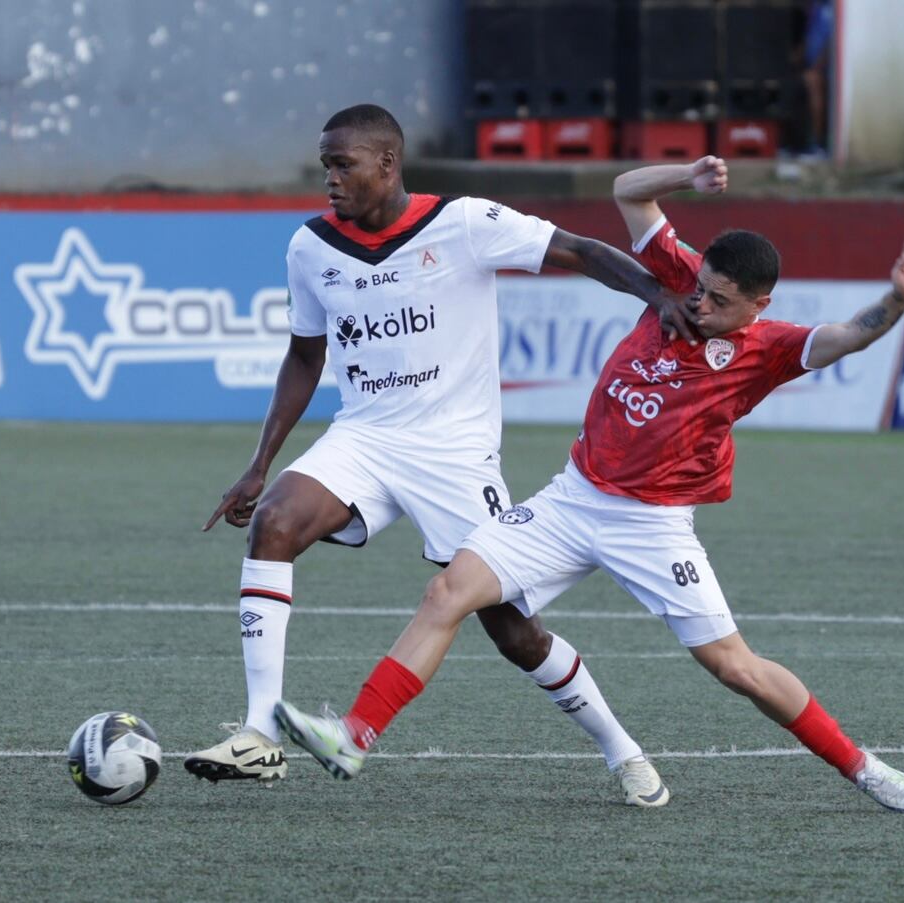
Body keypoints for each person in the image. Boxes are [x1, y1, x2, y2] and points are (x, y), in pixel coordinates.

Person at [275, 157, 904, 813]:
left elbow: (849, 336)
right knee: (447, 591)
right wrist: (688, 176)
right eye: (701, 287)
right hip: (571, 499)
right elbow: (627, 191)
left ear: (758, 305)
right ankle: (354, 736)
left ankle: (862, 767)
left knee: (734, 667)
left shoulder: (768, 349)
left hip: (650, 524)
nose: (700, 303)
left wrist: (897, 298)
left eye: (719, 300)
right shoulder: (682, 279)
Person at [184, 105, 719, 806]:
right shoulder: (309, 248)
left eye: (342, 165)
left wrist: (656, 292)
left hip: (455, 454)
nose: (330, 181)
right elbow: (304, 354)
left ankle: (622, 750)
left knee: (512, 630)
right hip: (365, 436)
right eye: (325, 167)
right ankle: (259, 732)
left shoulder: (465, 223)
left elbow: (580, 249)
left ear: (387, 163)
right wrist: (260, 464)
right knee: (275, 521)